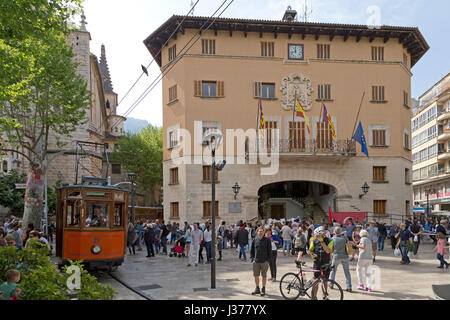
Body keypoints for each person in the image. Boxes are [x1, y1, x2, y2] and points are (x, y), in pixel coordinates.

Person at [307, 226, 334, 300]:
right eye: (316, 235)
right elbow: (309, 250)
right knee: (315, 281)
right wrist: (312, 254)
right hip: (317, 263)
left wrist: (322, 242)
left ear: (323, 234)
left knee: (324, 281)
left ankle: (324, 296)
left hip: (326, 263)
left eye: (318, 235)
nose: (317, 237)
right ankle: (314, 297)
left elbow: (328, 251)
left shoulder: (329, 241)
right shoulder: (314, 241)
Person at [250, 227, 272, 296]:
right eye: (259, 231)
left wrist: (267, 260)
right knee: (256, 275)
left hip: (264, 261)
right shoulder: (255, 240)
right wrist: (252, 259)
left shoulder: (267, 240)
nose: (261, 232)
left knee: (264, 276)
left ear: (264, 232)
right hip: (256, 261)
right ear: (257, 232)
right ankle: (257, 288)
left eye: (262, 231)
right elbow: (252, 250)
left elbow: (270, 251)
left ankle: (263, 289)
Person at [329, 227, 352, 292]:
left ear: (334, 232)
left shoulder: (332, 239)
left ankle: (331, 284)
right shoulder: (344, 238)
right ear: (341, 231)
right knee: (347, 272)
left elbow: (332, 249)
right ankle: (349, 286)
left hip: (336, 256)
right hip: (345, 256)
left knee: (333, 271)